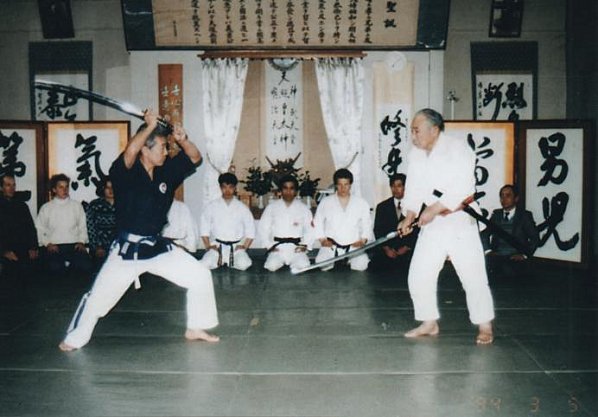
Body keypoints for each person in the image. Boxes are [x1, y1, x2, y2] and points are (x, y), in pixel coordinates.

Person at [58, 110, 219, 352]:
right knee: (97, 299)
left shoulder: (166, 171)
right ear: (146, 149)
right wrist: (149, 126)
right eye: (162, 147)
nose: (166, 152)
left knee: (200, 275)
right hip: (127, 251)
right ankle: (74, 338)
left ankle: (196, 327)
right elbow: (130, 152)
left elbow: (195, 158)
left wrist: (183, 139)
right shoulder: (125, 173)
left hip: (156, 246)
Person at [398, 108, 495, 345]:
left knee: (472, 275)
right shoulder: (416, 154)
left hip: (459, 219)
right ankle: (429, 321)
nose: (413, 136)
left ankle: (485, 325)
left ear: (434, 130)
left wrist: (433, 209)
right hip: (433, 224)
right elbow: (413, 190)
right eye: (412, 131)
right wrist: (409, 216)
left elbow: (464, 187)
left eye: (417, 131)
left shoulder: (458, 149)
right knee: (419, 273)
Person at [313, 168, 372, 271]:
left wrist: (363, 240)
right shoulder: (326, 202)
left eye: (346, 184)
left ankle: (348, 259)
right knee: (323, 265)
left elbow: (367, 224)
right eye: (340, 184)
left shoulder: (361, 203)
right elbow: (317, 222)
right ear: (335, 185)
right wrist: (322, 240)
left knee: (361, 266)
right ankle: (337, 259)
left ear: (350, 185)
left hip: (353, 245)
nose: (343, 188)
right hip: (332, 245)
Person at [36, 173, 92, 276]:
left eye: (66, 186)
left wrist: (81, 241)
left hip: (74, 246)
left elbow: (83, 226)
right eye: (61, 187)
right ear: (54, 189)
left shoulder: (77, 206)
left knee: (85, 266)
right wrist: (48, 244)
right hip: (54, 247)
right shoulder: (46, 208)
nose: (64, 190)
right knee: (54, 268)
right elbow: (40, 228)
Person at [481, 184, 539, 277]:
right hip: (496, 257)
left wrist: (524, 255)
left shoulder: (524, 215)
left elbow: (535, 238)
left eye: (508, 196)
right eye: (502, 196)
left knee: (509, 273)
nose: (504, 199)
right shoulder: (496, 214)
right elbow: (484, 234)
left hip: (515, 258)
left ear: (516, 198)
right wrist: (488, 251)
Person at [200, 173, 255, 270]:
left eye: (230, 187)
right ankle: (220, 260)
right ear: (220, 188)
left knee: (244, 264)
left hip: (235, 247)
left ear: (235, 188)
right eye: (224, 187)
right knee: (205, 264)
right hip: (217, 246)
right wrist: (208, 246)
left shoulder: (242, 207)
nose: (227, 191)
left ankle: (228, 261)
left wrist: (245, 246)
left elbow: (251, 229)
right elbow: (204, 228)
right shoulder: (212, 206)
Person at [258, 175, 313, 272]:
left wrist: (305, 245)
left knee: (303, 265)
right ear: (280, 190)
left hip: (296, 247)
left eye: (292, 188)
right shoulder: (272, 207)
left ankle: (297, 262)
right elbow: (263, 228)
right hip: (278, 246)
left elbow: (310, 229)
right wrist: (269, 246)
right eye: (285, 188)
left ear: (296, 191)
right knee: (271, 266)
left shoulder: (303, 208)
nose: (288, 191)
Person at [372, 173, 418, 272]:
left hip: (408, 251)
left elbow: (417, 230)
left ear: (405, 187)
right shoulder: (382, 207)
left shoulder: (415, 206)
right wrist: (387, 249)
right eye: (393, 186)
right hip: (387, 250)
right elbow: (378, 230)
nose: (395, 189)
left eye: (399, 186)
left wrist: (406, 247)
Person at [0, 174, 39, 279]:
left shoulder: (22, 206)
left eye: (14, 185)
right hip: (5, 249)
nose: (12, 188)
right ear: (1, 187)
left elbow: (31, 228)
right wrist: (4, 252)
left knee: (36, 269)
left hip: (23, 248)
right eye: (8, 185)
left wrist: (33, 247)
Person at [85, 178, 117, 268]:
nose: (111, 190)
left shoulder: (123, 205)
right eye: (107, 187)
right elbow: (91, 229)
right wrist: (97, 247)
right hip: (99, 248)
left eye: (113, 187)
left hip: (118, 246)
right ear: (103, 189)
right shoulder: (94, 205)